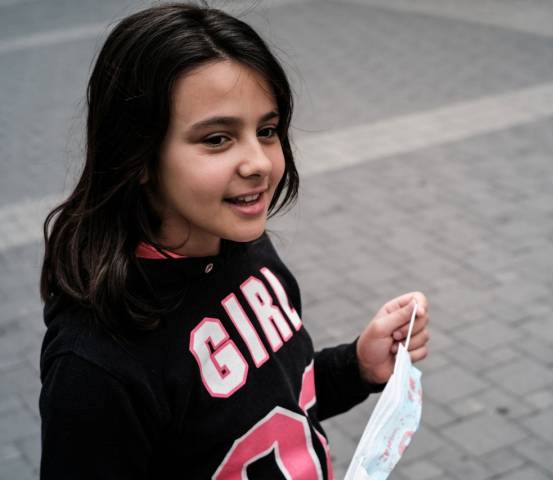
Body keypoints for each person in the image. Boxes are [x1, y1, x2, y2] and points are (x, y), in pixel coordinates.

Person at [38, 2, 429, 479]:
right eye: (217, 139)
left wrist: (356, 366)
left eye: (267, 130)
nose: (259, 162)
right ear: (136, 156)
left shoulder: (247, 252)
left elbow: (274, 403)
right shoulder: (96, 363)